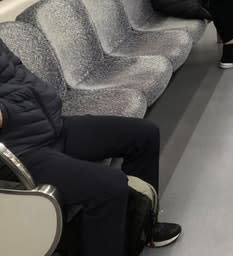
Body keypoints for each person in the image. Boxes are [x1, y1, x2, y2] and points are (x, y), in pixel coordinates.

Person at [0, 40, 181, 255]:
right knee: (108, 187)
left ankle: (142, 227)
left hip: (51, 127)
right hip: (20, 151)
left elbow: (17, 75)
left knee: (144, 135)